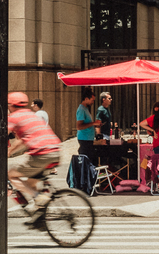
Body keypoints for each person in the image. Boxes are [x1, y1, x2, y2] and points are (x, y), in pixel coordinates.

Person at [7, 91, 62, 221]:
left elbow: (7, 135)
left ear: (11, 105)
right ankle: (39, 216)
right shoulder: (32, 115)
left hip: (41, 154)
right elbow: (24, 139)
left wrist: (8, 152)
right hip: (56, 151)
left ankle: (40, 198)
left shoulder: (14, 117)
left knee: (12, 175)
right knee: (31, 183)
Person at [75, 87, 100, 162]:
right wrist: (93, 123)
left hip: (88, 138)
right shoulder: (81, 109)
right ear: (86, 99)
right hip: (84, 139)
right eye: (92, 100)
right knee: (87, 160)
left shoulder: (85, 109)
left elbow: (86, 124)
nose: (93, 102)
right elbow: (79, 126)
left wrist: (94, 124)